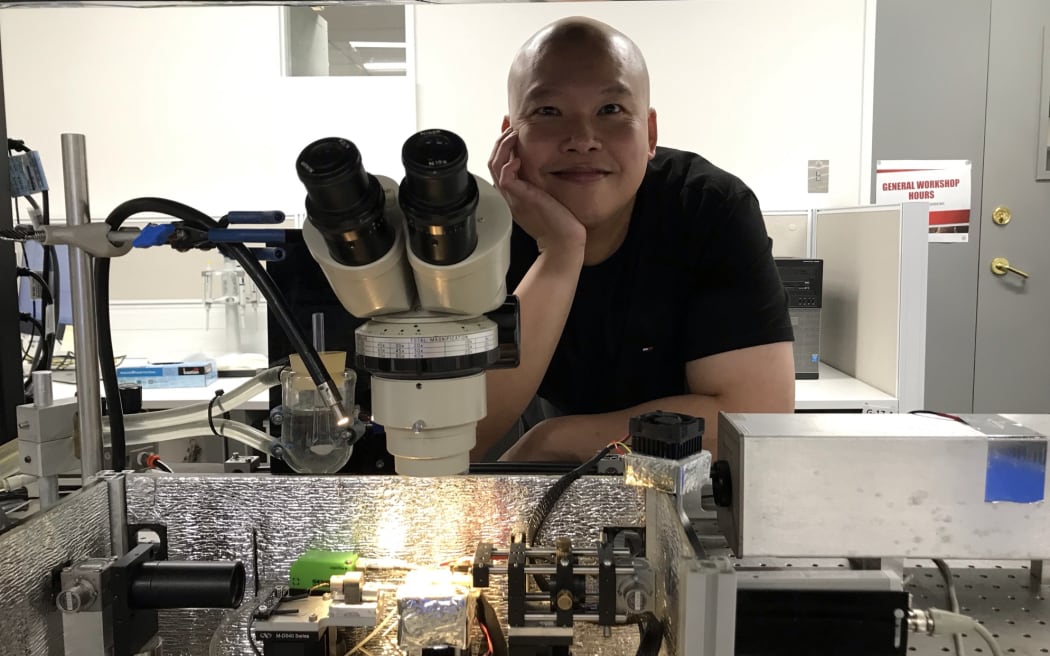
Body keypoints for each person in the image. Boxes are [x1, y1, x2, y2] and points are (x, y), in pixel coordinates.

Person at [473, 17, 795, 462]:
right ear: (510, 136)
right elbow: (465, 432)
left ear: (650, 133)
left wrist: (551, 441)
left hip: (688, 470)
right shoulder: (485, 232)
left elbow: (755, 417)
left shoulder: (708, 208)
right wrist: (560, 251)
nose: (582, 139)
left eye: (610, 110)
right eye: (548, 111)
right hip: (564, 450)